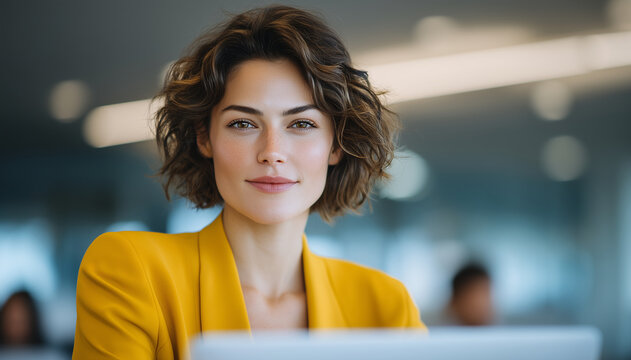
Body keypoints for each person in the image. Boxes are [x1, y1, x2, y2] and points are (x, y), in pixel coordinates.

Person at [73, 5, 425, 359]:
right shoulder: (131, 271)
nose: (272, 153)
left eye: (301, 124)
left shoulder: (386, 306)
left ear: (336, 144)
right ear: (204, 138)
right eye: (243, 124)